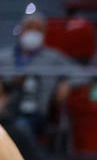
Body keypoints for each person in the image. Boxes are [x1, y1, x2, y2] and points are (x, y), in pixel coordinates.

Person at [0, 13, 83, 152]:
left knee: (21, 127)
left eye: (37, 29)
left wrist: (67, 83)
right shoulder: (4, 57)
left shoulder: (53, 57)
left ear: (44, 33)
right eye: (29, 28)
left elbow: (82, 73)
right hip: (6, 110)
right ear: (21, 31)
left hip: (36, 113)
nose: (32, 32)